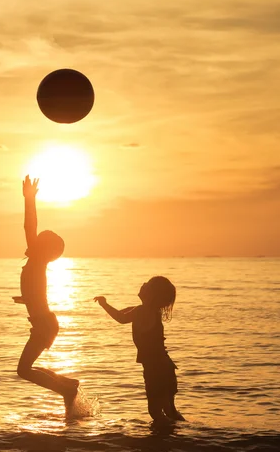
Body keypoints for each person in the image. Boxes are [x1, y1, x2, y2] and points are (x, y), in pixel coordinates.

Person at [13, 175, 79, 408]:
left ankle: (66, 390)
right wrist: (26, 299)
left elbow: (29, 226)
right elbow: (37, 294)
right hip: (44, 322)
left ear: (42, 248)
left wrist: (29, 199)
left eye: (37, 241)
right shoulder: (35, 265)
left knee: (23, 369)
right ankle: (68, 384)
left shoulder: (38, 261)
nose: (32, 241)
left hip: (44, 324)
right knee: (27, 366)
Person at [94, 276, 184, 422]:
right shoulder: (147, 310)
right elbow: (121, 314)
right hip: (165, 366)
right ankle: (181, 437)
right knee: (169, 410)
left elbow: (121, 318)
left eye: (147, 284)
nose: (143, 284)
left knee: (155, 412)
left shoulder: (142, 311)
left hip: (155, 369)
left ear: (152, 294)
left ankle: (165, 440)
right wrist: (107, 306)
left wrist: (104, 304)